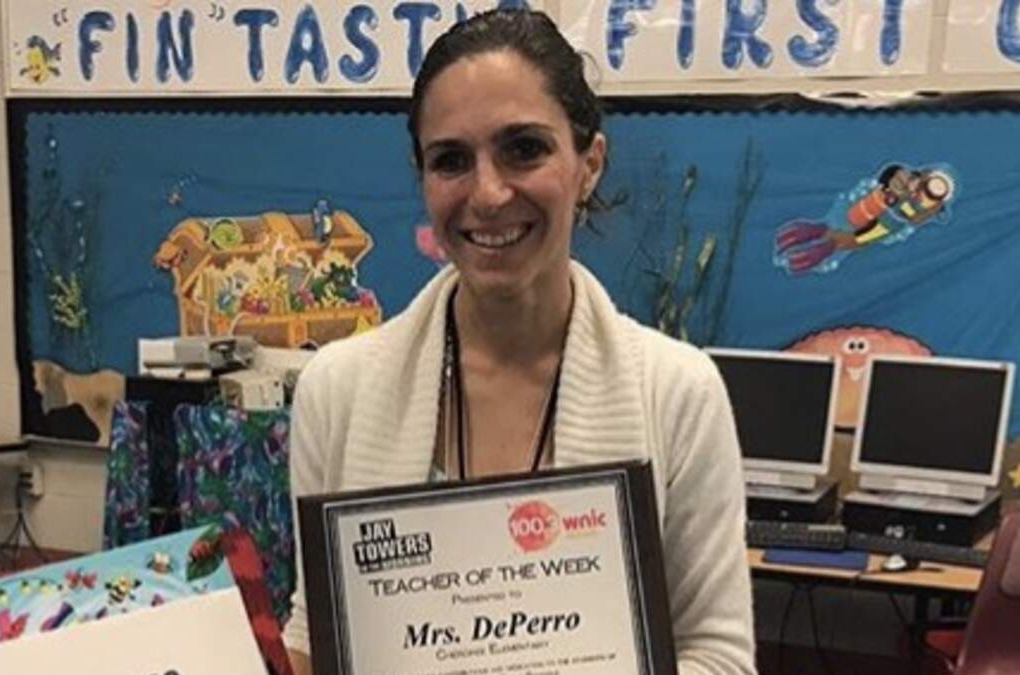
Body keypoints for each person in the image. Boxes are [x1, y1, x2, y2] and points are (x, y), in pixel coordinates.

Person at [283, 9, 754, 675]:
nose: (489, 193)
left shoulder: (678, 391)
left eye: (524, 148)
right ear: (423, 178)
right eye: (451, 160)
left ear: (589, 163)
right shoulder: (336, 388)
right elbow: (318, 630)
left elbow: (719, 654)